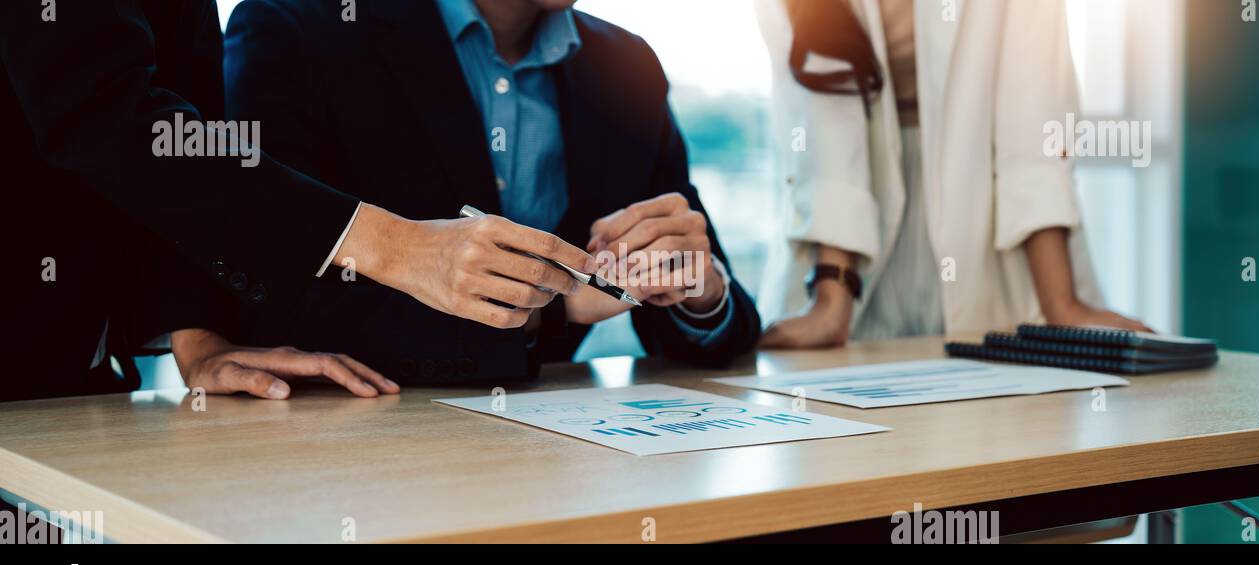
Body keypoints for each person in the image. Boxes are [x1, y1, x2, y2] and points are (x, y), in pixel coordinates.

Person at [0, 0, 596, 401]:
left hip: (71, 377)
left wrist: (196, 333)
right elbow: (101, 111)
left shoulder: (617, 64)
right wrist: (399, 245)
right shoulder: (297, 26)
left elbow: (180, 126)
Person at [221, 0, 762, 384]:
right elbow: (262, 296)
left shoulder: (628, 66)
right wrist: (550, 312)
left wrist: (701, 289)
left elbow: (709, 337)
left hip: (556, 458)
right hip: (344, 451)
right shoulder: (296, 28)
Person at [755, 0, 1151, 350]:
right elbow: (823, 117)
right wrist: (831, 298)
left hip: (987, 206)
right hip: (850, 233)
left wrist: (1062, 304)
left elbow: (1034, 113)